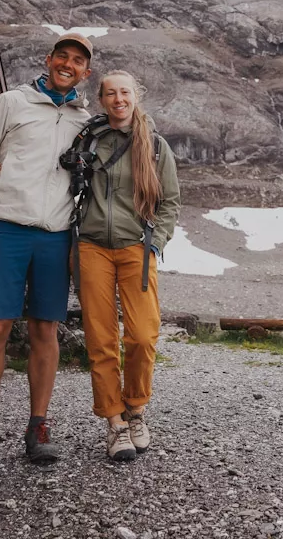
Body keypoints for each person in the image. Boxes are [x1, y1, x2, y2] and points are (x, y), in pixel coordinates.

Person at [0, 32, 95, 472]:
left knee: (44, 330)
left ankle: (38, 427)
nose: (67, 64)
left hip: (56, 235)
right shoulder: (10, 102)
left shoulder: (84, 120)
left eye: (77, 61)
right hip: (7, 229)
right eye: (62, 56)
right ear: (49, 59)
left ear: (85, 72)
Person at [72, 70, 180, 461]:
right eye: (111, 93)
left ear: (137, 96)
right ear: (101, 99)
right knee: (101, 339)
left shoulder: (154, 146)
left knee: (143, 336)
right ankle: (115, 423)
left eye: (125, 92)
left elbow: (169, 202)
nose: (119, 99)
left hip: (137, 247)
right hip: (91, 247)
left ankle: (136, 407)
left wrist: (156, 244)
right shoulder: (89, 140)